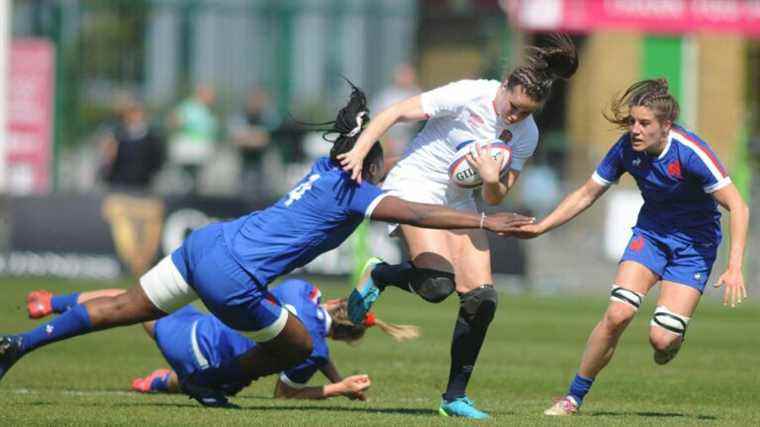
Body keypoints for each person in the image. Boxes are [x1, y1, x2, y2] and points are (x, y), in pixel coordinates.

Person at [0, 83, 534, 405]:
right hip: (233, 275)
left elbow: (386, 167)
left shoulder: (328, 168)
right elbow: (414, 210)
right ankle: (209, 384)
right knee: (299, 346)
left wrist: (376, 133)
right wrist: (486, 221)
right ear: (366, 163)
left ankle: (18, 345)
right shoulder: (356, 194)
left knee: (122, 307)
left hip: (204, 244)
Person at [338, 34, 579, 419]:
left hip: (460, 202)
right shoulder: (470, 94)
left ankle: (454, 397)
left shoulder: (527, 134)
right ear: (504, 87)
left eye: (526, 113)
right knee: (436, 285)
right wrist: (360, 151)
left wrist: (489, 178)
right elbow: (396, 112)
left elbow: (498, 197)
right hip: (415, 187)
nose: (515, 117)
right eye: (513, 106)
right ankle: (381, 275)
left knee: (482, 299)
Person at [511, 79, 749, 415]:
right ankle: (572, 398)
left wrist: (734, 265)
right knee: (618, 312)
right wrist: (542, 227)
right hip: (651, 236)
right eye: (632, 121)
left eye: (644, 123)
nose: (635, 129)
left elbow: (738, 205)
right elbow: (586, 193)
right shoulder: (625, 149)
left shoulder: (690, 152)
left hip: (695, 246)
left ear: (665, 125)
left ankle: (672, 339)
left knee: (662, 340)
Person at [25, 278, 418, 405]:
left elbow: (314, 327)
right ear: (347, 338)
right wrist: (338, 386)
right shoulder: (309, 351)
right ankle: (161, 383)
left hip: (197, 328)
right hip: (202, 360)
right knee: (222, 378)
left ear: (335, 302)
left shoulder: (302, 288)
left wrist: (331, 365)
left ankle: (52, 302)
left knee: (134, 302)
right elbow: (285, 394)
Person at [99, 97, 165, 192]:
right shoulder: (117, 135)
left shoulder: (152, 138)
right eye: (130, 113)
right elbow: (109, 159)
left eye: (136, 113)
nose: (133, 117)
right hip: (119, 182)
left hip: (144, 183)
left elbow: (158, 160)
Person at [227, 87, 281, 201]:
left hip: (264, 162)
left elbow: (266, 138)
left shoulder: (268, 116)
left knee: (265, 194)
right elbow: (237, 138)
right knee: (242, 194)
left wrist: (249, 137)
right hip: (244, 161)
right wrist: (254, 137)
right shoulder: (240, 116)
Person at [167, 84, 218, 193]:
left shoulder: (207, 110)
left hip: (201, 153)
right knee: (185, 182)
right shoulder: (188, 107)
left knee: (197, 183)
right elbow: (173, 121)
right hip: (188, 151)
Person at [371, 63, 421, 159]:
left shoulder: (417, 94)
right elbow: (376, 117)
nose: (406, 78)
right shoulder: (387, 96)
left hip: (411, 137)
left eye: (408, 75)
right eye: (403, 75)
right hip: (388, 137)